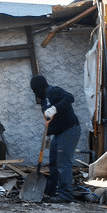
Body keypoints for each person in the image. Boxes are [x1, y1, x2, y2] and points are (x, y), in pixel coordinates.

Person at [30, 75, 80, 203]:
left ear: (40, 87)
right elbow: (50, 120)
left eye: (35, 90)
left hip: (70, 130)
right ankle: (50, 191)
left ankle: (66, 194)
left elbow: (70, 97)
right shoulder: (43, 100)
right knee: (53, 162)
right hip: (58, 134)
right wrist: (48, 134)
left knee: (63, 163)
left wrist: (54, 108)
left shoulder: (53, 91)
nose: (35, 93)